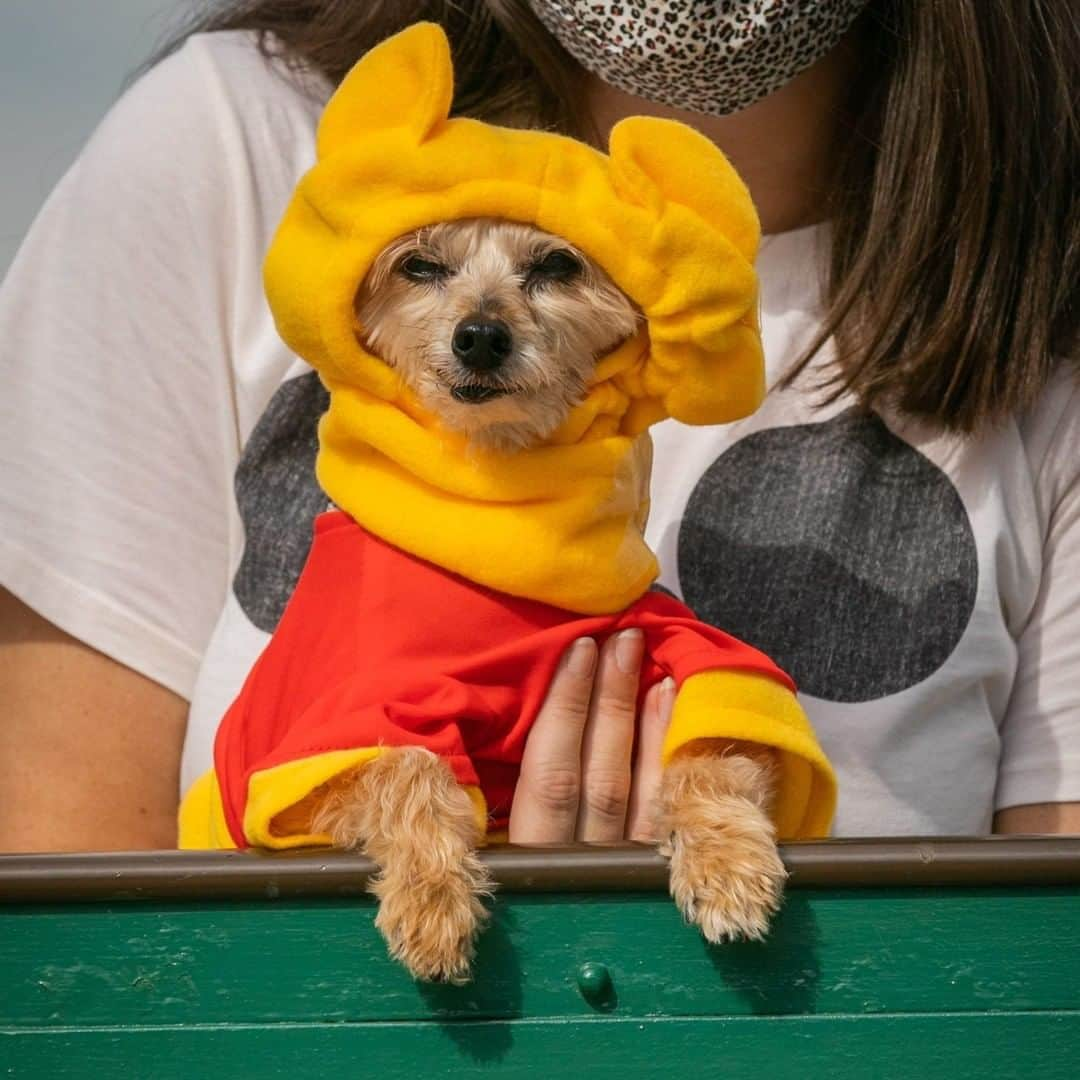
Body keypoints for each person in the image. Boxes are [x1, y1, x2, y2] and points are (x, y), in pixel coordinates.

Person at [0, 0, 1076, 852]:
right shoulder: (238, 141)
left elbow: (1026, 989)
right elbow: (76, 952)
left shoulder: (1045, 273)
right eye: (420, 272)